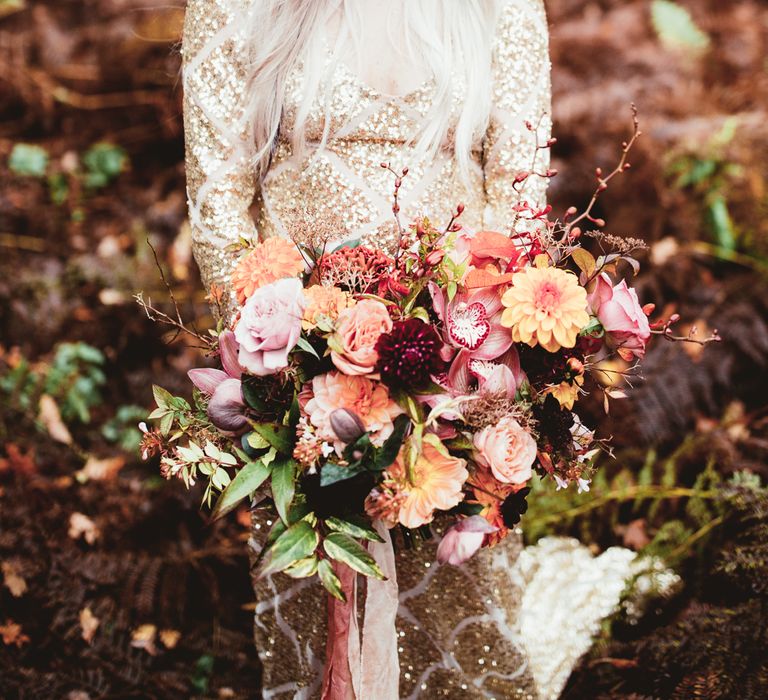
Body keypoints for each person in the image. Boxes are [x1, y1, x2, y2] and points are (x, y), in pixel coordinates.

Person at [181, 2, 641, 697]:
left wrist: (480, 349)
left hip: (456, 347)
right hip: (302, 345)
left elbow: (517, 191)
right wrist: (284, 354)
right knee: (317, 579)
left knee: (457, 599)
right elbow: (220, 200)